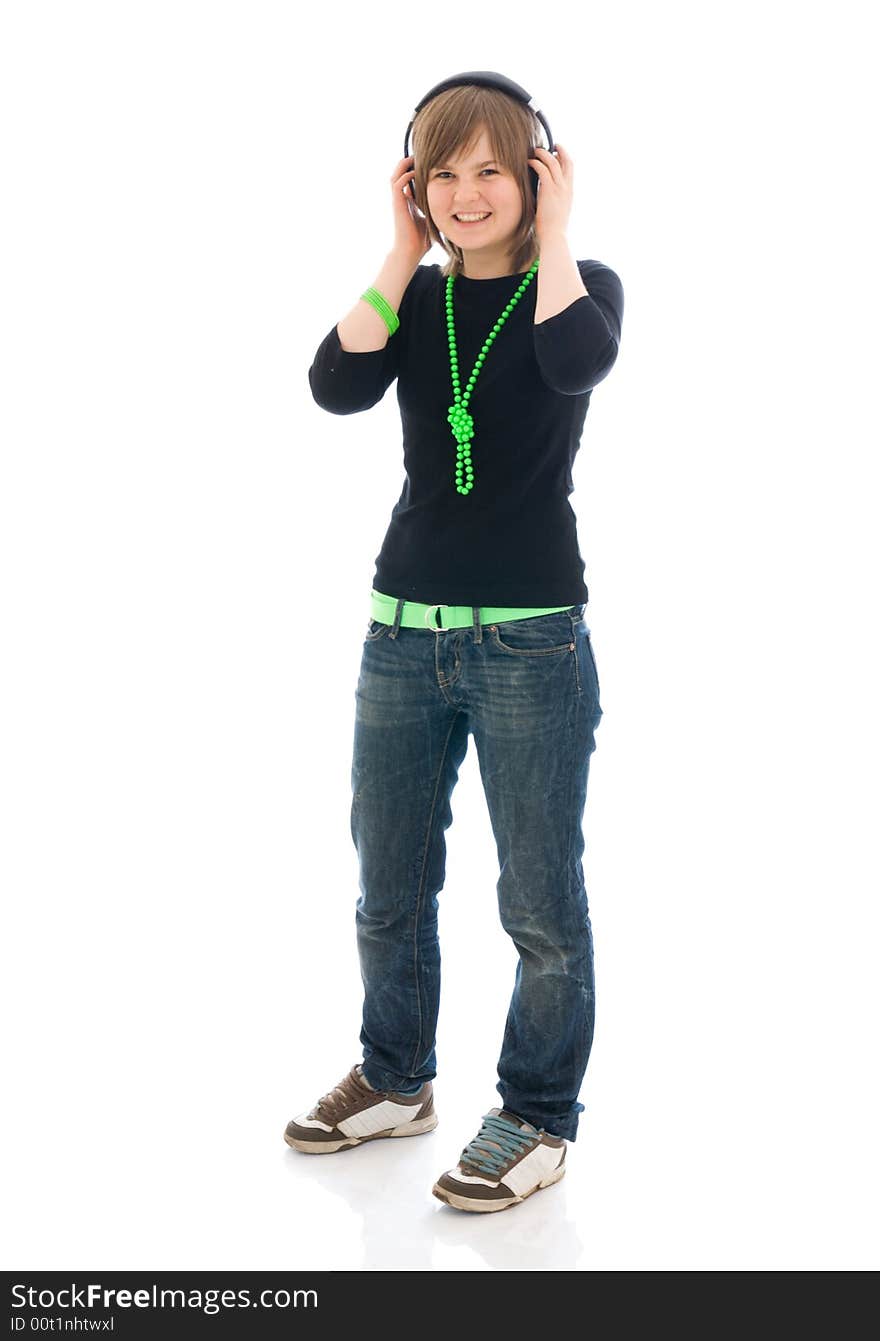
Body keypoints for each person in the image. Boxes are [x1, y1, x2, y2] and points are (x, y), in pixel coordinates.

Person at [283, 81, 624, 1214]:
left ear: (537, 176)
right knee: (388, 887)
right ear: (416, 186)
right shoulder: (416, 302)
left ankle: (533, 1118)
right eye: (444, 174)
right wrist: (397, 251)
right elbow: (335, 385)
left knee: (537, 901)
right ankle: (394, 1078)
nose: (467, 194)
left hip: (530, 643)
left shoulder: (576, 287)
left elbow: (576, 363)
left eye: (493, 170)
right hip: (401, 634)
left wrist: (560, 235)